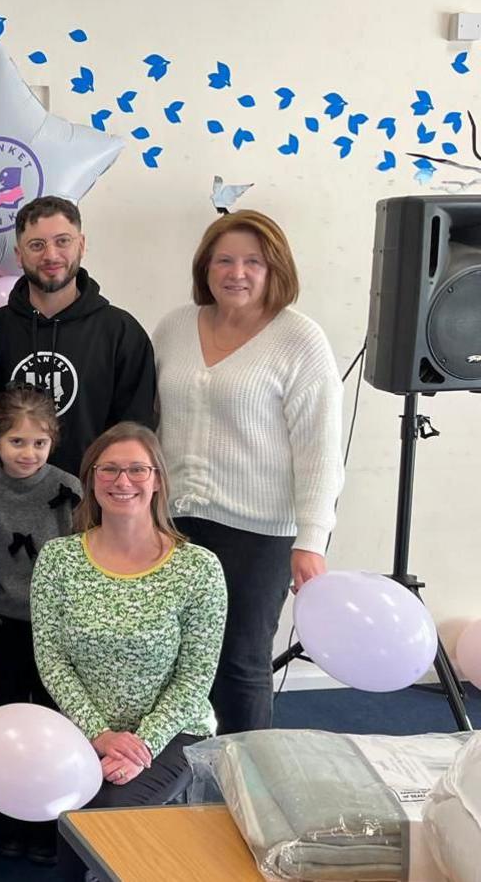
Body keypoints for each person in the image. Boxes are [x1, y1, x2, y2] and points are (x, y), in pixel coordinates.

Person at [153, 209, 343, 734]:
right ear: (205, 267)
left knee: (239, 662)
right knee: (172, 661)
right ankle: (180, 782)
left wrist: (312, 539)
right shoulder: (173, 327)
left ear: (274, 269)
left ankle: (252, 789)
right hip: (174, 525)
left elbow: (320, 452)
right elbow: (150, 423)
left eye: (252, 262)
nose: (237, 272)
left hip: (259, 534)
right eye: (225, 260)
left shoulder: (300, 340)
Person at [29, 423, 227, 882]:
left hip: (171, 733)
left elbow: (196, 678)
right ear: (91, 480)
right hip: (83, 728)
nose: (123, 482)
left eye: (137, 469)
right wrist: (99, 733)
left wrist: (141, 746)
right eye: (110, 470)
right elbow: (52, 660)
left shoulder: (198, 568)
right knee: (70, 833)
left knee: (102, 822)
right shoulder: (59, 560)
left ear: (157, 479)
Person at [0, 387, 81, 864]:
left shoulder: (70, 490)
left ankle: (51, 819)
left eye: (38, 443)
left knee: (56, 720)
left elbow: (84, 555)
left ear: (52, 442)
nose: (28, 453)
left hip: (59, 629)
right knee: (10, 717)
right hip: (4, 623)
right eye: (16, 442)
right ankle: (11, 817)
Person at [0, 196, 157, 475]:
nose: (51, 255)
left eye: (62, 241)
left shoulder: (122, 333)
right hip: (2, 509)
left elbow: (134, 436)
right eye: (37, 245)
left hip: (92, 506)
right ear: (19, 255)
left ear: (82, 244)